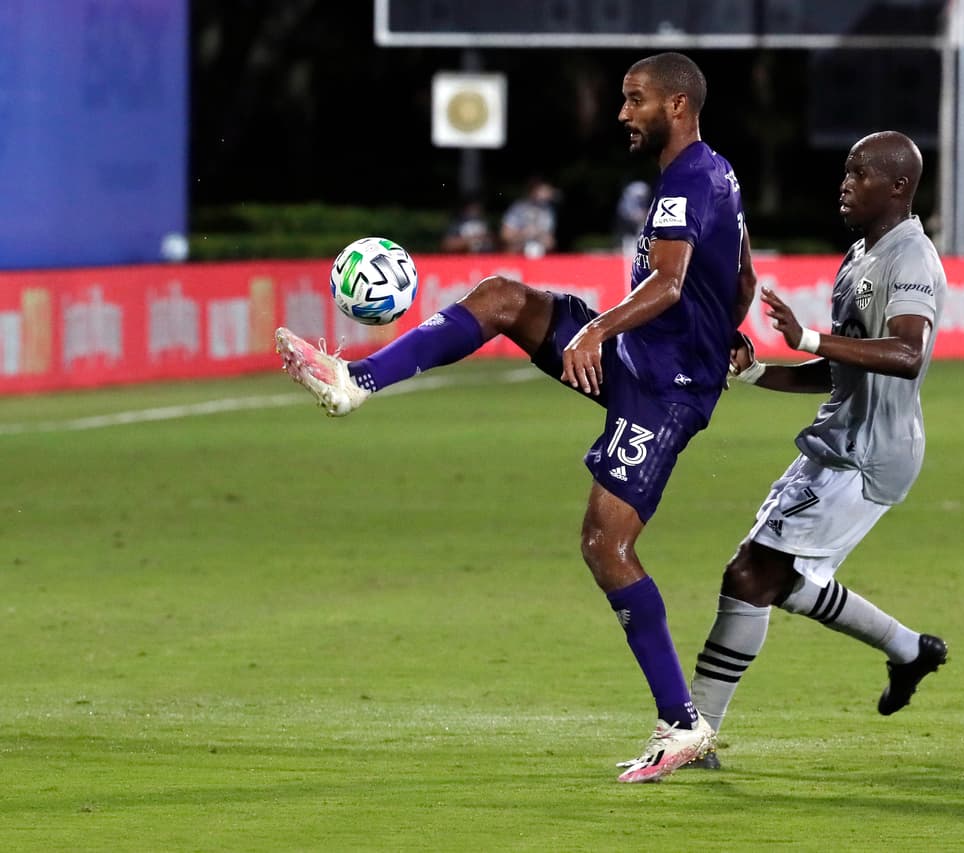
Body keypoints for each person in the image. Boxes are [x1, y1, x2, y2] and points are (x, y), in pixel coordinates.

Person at [274, 52, 755, 783]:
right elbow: (741, 277)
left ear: (678, 105)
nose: (623, 113)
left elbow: (668, 281)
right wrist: (726, 331)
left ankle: (682, 723)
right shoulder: (716, 173)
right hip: (642, 358)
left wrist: (601, 331)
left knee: (606, 545)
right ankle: (355, 380)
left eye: (635, 99)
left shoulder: (688, 180)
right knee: (502, 298)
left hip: (665, 389)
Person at [686, 131, 948, 769]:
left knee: (750, 574)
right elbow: (842, 369)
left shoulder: (911, 258)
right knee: (779, 580)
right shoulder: (860, 255)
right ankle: (909, 650)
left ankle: (694, 737)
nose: (845, 184)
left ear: (898, 186)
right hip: (837, 439)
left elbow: (906, 354)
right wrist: (758, 372)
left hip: (868, 452)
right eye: (846, 172)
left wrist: (808, 336)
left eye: (859, 174)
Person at [499, 177, 559, 257]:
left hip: (539, 250)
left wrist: (541, 236)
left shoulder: (548, 210)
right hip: (518, 250)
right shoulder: (518, 208)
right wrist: (524, 234)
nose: (546, 195)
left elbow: (550, 240)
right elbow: (505, 235)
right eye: (542, 191)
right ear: (533, 191)